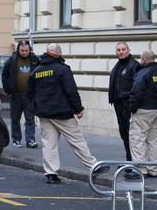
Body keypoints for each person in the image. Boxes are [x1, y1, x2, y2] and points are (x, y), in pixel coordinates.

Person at [27, 43, 108, 184]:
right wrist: (78, 109)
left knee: (49, 144)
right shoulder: (62, 69)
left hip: (44, 113)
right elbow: (71, 90)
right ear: (59, 54)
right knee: (77, 141)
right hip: (62, 112)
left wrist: (37, 107)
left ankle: (51, 173)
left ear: (46, 53)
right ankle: (92, 166)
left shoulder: (37, 70)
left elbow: (29, 93)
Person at [127, 50, 157, 179]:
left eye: (141, 59)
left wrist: (132, 108)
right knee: (153, 140)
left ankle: (140, 169)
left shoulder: (143, 73)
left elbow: (136, 92)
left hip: (144, 110)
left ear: (144, 60)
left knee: (137, 139)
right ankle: (153, 169)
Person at [2, 40, 39, 148]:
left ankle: (30, 140)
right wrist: (7, 88)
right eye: (22, 50)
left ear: (30, 49)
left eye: (26, 50)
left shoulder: (34, 59)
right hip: (16, 94)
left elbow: (40, 73)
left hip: (29, 95)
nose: (24, 52)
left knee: (30, 118)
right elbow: (4, 74)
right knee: (15, 118)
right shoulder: (12, 59)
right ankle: (16, 140)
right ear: (18, 49)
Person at [108, 42, 139, 163]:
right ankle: (129, 159)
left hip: (128, 104)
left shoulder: (134, 65)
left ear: (128, 50)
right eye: (118, 50)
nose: (121, 52)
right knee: (124, 133)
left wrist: (131, 102)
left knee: (131, 134)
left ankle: (133, 160)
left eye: (123, 49)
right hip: (118, 104)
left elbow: (137, 87)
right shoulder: (118, 65)